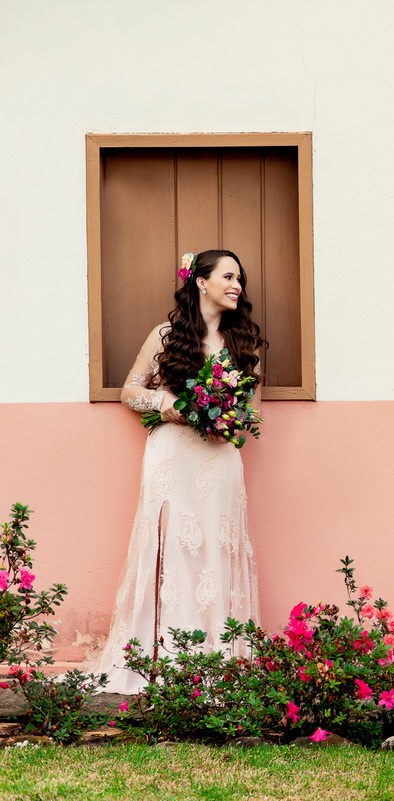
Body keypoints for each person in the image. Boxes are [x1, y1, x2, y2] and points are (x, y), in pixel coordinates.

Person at [88, 250, 267, 693]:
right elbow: (130, 390)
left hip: (219, 459)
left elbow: (252, 414)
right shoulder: (166, 336)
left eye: (240, 280)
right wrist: (164, 402)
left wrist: (230, 423)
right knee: (173, 548)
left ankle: (216, 660)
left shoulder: (245, 344)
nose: (237, 286)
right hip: (171, 455)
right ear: (201, 282)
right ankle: (165, 658)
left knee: (216, 548)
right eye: (229, 277)